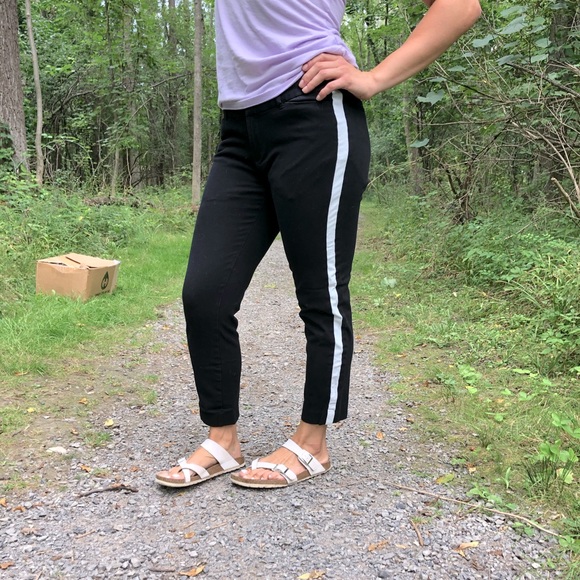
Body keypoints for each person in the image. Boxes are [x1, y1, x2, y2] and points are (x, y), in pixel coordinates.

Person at [155, 0, 481, 489]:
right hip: (239, 128)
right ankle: (222, 439)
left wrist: (373, 78)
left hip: (313, 113)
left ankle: (312, 442)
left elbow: (461, 6)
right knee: (204, 294)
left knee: (321, 293)